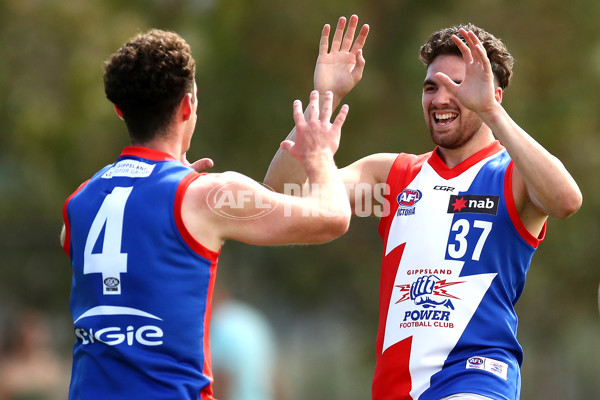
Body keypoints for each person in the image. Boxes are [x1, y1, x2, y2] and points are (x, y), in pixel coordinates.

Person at [264, 16, 583, 400]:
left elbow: (566, 201)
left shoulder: (513, 176)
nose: (441, 98)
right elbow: (282, 193)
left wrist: (493, 114)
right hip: (396, 387)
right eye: (431, 87)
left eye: (458, 86)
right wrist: (326, 96)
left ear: (492, 94)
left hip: (478, 377)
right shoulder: (393, 174)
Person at [60, 29, 352, 400]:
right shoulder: (203, 195)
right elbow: (332, 216)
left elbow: (120, 240)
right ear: (187, 106)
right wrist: (321, 154)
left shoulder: (80, 199)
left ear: (120, 110)